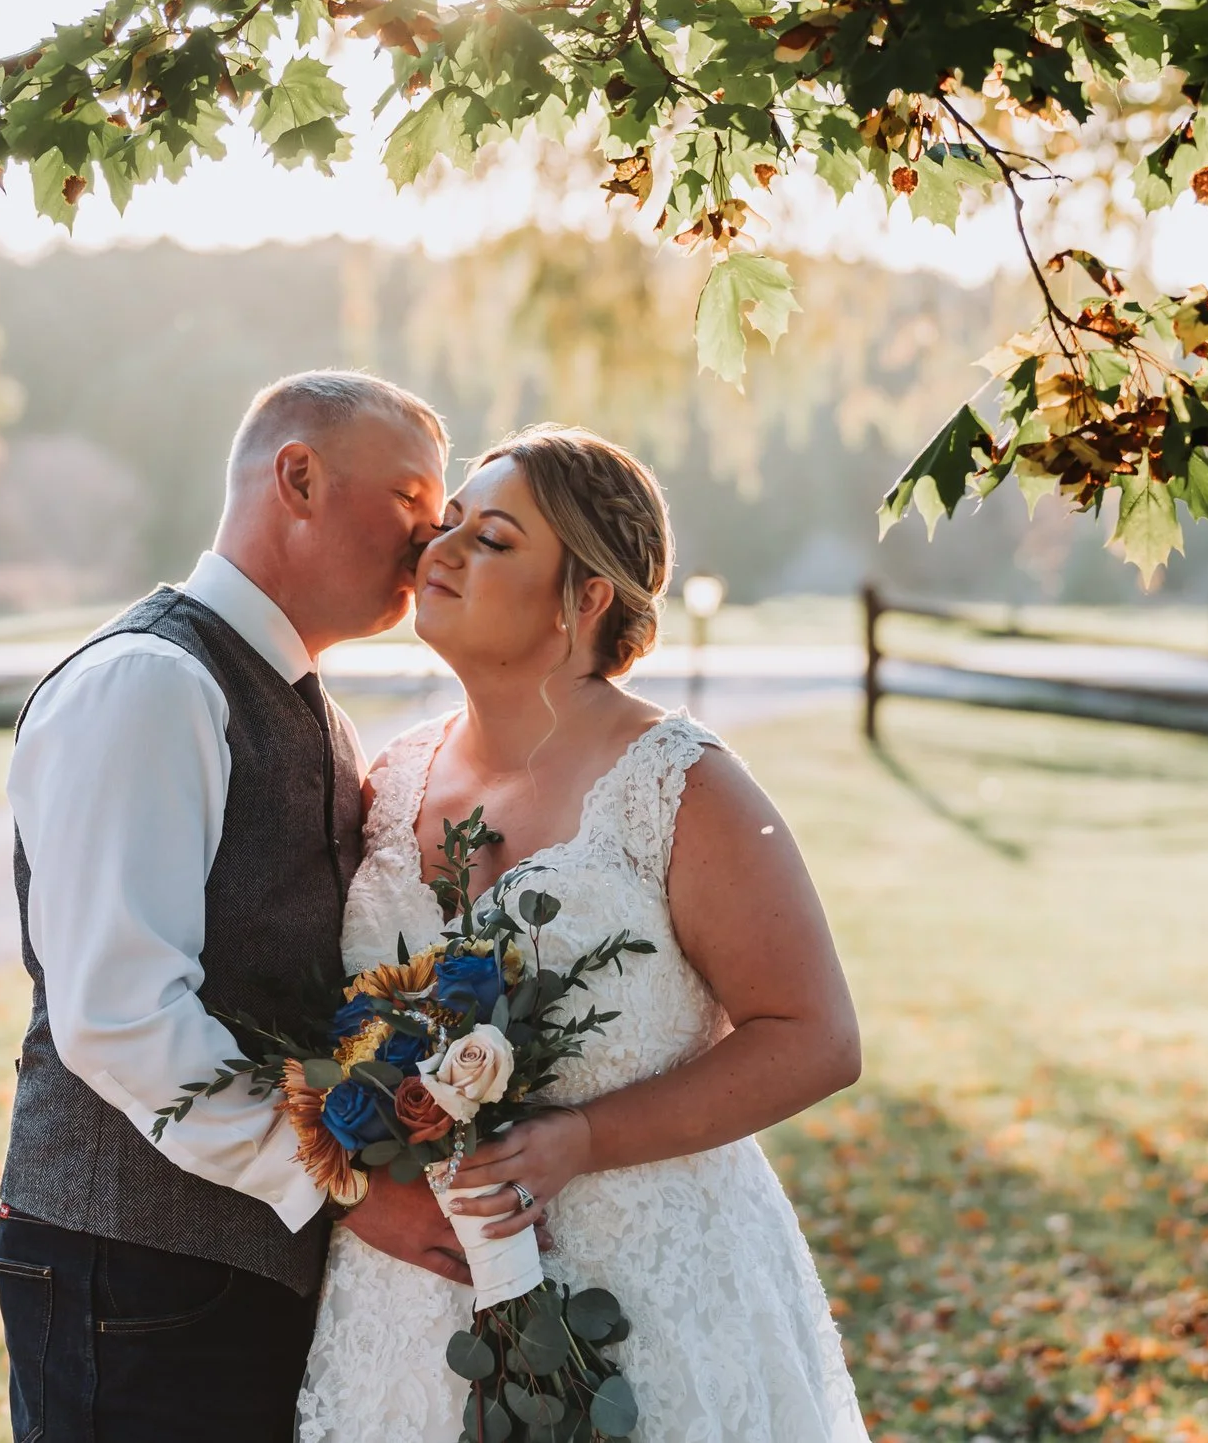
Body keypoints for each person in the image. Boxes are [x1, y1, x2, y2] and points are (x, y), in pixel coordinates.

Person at [298, 423, 870, 1442]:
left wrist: (586, 1137)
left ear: (587, 596)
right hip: (414, 1311)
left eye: (497, 538)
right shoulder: (387, 781)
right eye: (454, 523)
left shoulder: (680, 784)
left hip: (648, 1288)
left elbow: (814, 1035)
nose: (445, 550)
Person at [0, 371, 470, 1443]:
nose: (430, 533)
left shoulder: (304, 701)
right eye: (407, 496)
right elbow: (121, 1015)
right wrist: (344, 1182)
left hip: (224, 1261)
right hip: (135, 1269)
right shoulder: (152, 683)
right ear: (296, 475)